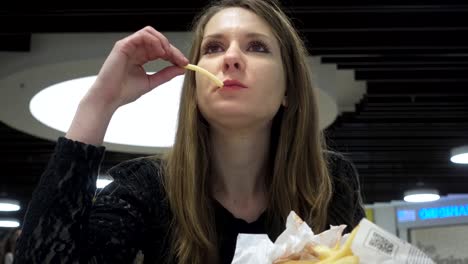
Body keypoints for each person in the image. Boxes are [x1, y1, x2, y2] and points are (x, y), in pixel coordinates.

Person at [14, 0, 365, 263]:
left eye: (256, 46)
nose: (230, 58)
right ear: (194, 87)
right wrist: (98, 104)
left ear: (289, 89)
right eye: (213, 47)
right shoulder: (146, 189)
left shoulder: (331, 182)